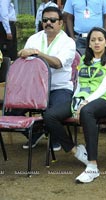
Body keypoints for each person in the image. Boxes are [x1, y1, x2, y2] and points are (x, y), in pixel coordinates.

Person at [43, 27, 106, 183]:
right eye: (93, 40)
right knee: (49, 115)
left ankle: (92, 166)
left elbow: (104, 86)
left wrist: (85, 103)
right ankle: (76, 151)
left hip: (103, 100)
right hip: (80, 99)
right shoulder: (84, 61)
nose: (96, 42)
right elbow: (79, 84)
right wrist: (76, 100)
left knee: (87, 112)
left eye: (100, 39)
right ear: (89, 44)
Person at [18, 6, 76, 151]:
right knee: (10, 110)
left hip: (59, 88)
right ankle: (38, 131)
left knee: (54, 112)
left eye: (52, 20)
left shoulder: (68, 42)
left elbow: (57, 63)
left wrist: (38, 54)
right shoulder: (34, 38)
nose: (48, 22)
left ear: (61, 23)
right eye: (45, 20)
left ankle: (54, 136)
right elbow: (23, 59)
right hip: (35, 88)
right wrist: (23, 53)